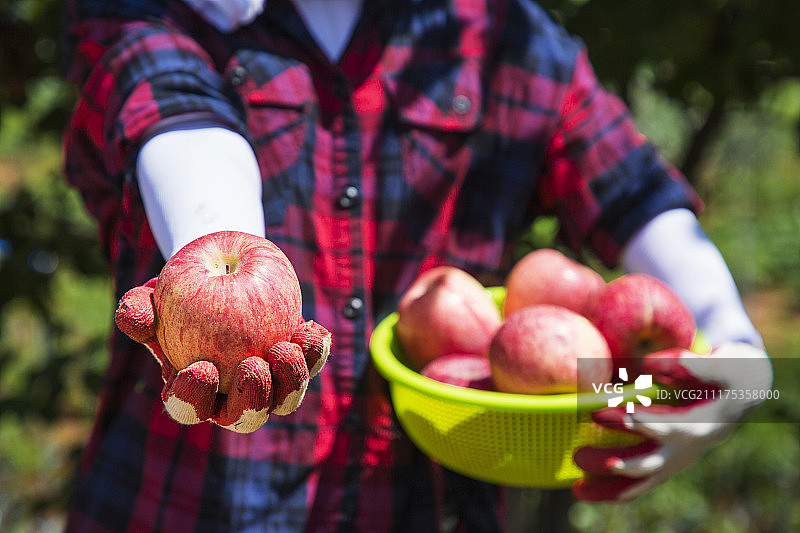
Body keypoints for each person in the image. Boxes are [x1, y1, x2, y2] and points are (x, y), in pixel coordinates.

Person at [61, 0, 772, 531]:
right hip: (184, 507)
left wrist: (737, 366)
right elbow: (180, 117)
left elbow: (636, 197)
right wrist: (220, 266)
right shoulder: (159, 10)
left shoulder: (502, 37)